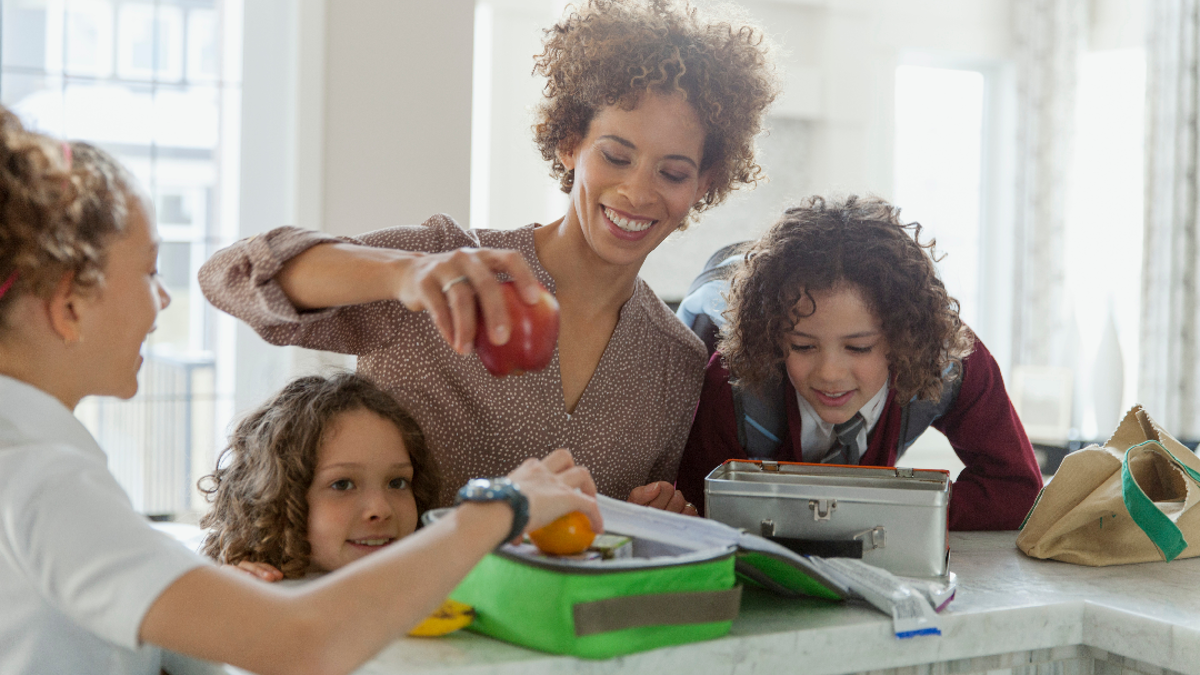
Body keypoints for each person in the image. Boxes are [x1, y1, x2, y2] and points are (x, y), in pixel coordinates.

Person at [0, 107, 600, 675]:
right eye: (150, 271)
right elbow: (304, 644)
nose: (163, 299)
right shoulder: (42, 478)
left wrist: (208, 594)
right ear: (71, 304)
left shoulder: (34, 462)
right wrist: (504, 504)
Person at [198, 0, 778, 512]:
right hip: (396, 618)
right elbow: (230, 277)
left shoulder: (674, 360)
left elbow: (613, 536)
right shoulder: (445, 265)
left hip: (544, 632)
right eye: (617, 156)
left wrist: (657, 514)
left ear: (704, 184)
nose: (638, 191)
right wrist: (406, 272)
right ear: (569, 142)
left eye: (673, 171)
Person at [675, 195, 1044, 530]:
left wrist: (883, 507)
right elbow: (702, 512)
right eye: (803, 346)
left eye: (859, 348)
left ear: (902, 340)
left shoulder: (950, 357)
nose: (830, 374)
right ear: (776, 340)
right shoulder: (731, 380)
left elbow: (1016, 490)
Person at [199, 372, 440, 581]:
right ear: (276, 498)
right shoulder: (245, 586)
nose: (381, 509)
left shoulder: (437, 583)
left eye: (397, 483)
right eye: (343, 484)